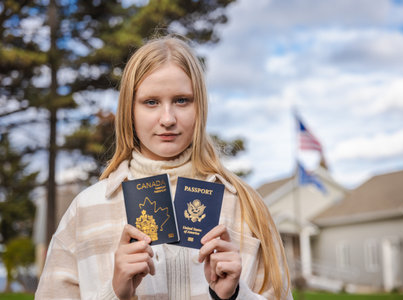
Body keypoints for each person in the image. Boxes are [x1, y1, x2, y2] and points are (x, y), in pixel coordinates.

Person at [36, 35, 292, 300]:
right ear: (129, 110)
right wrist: (113, 293)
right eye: (151, 102)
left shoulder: (247, 207)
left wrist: (236, 296)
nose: (168, 119)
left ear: (200, 107)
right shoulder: (85, 210)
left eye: (182, 100)